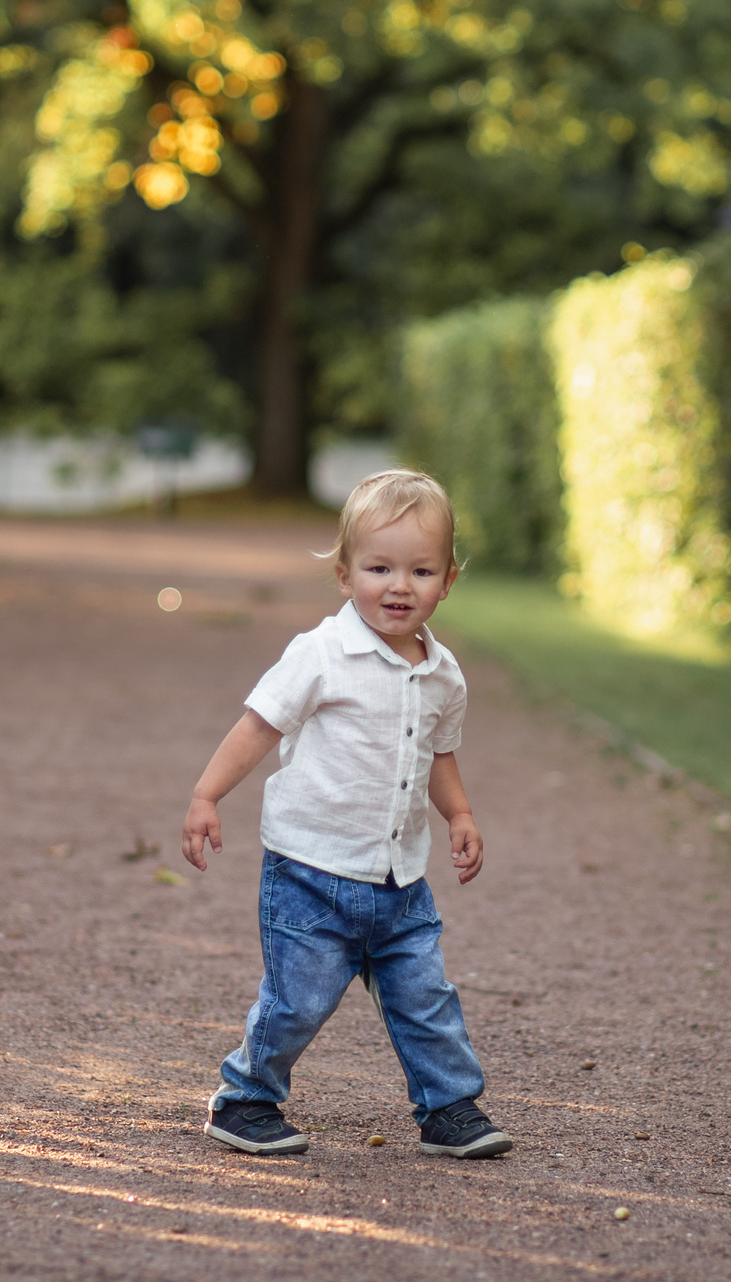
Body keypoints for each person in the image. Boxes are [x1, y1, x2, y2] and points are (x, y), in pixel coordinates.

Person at [180, 469, 514, 1159]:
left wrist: (460, 815)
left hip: (400, 880)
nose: (399, 585)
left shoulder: (443, 674)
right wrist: (207, 795)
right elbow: (258, 727)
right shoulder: (321, 655)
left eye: (420, 570)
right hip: (311, 872)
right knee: (296, 1002)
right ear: (343, 574)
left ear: (447, 581)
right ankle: (244, 1099)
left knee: (425, 997)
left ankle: (448, 1107)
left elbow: (438, 755)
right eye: (379, 567)